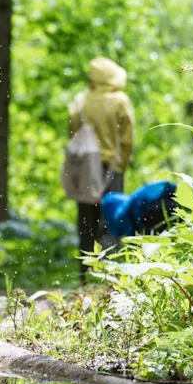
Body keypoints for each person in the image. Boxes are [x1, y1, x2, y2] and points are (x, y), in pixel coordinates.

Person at [68, 57, 135, 279]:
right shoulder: (120, 101)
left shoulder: (79, 101)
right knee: (111, 222)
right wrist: (121, 166)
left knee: (86, 224)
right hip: (111, 169)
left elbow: (73, 133)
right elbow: (127, 140)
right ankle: (107, 277)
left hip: (85, 168)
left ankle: (84, 276)